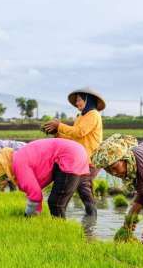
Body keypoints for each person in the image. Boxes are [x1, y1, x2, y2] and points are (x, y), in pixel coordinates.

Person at [42, 88, 105, 221]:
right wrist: (57, 133)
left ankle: (62, 220)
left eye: (79, 100)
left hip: (90, 160)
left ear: (87, 99)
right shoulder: (81, 117)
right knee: (84, 193)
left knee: (68, 189)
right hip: (81, 160)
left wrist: (59, 125)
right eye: (76, 100)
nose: (77, 103)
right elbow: (74, 139)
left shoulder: (93, 114)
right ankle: (90, 224)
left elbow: (79, 132)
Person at [0, 138, 90, 218]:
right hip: (78, 150)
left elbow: (35, 195)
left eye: (3, 176)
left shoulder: (18, 163)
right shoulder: (20, 155)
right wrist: (36, 213)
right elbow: (36, 193)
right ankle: (90, 225)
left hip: (69, 156)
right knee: (87, 197)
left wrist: (27, 217)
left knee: (55, 203)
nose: (5, 180)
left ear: (5, 167)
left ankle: (60, 235)